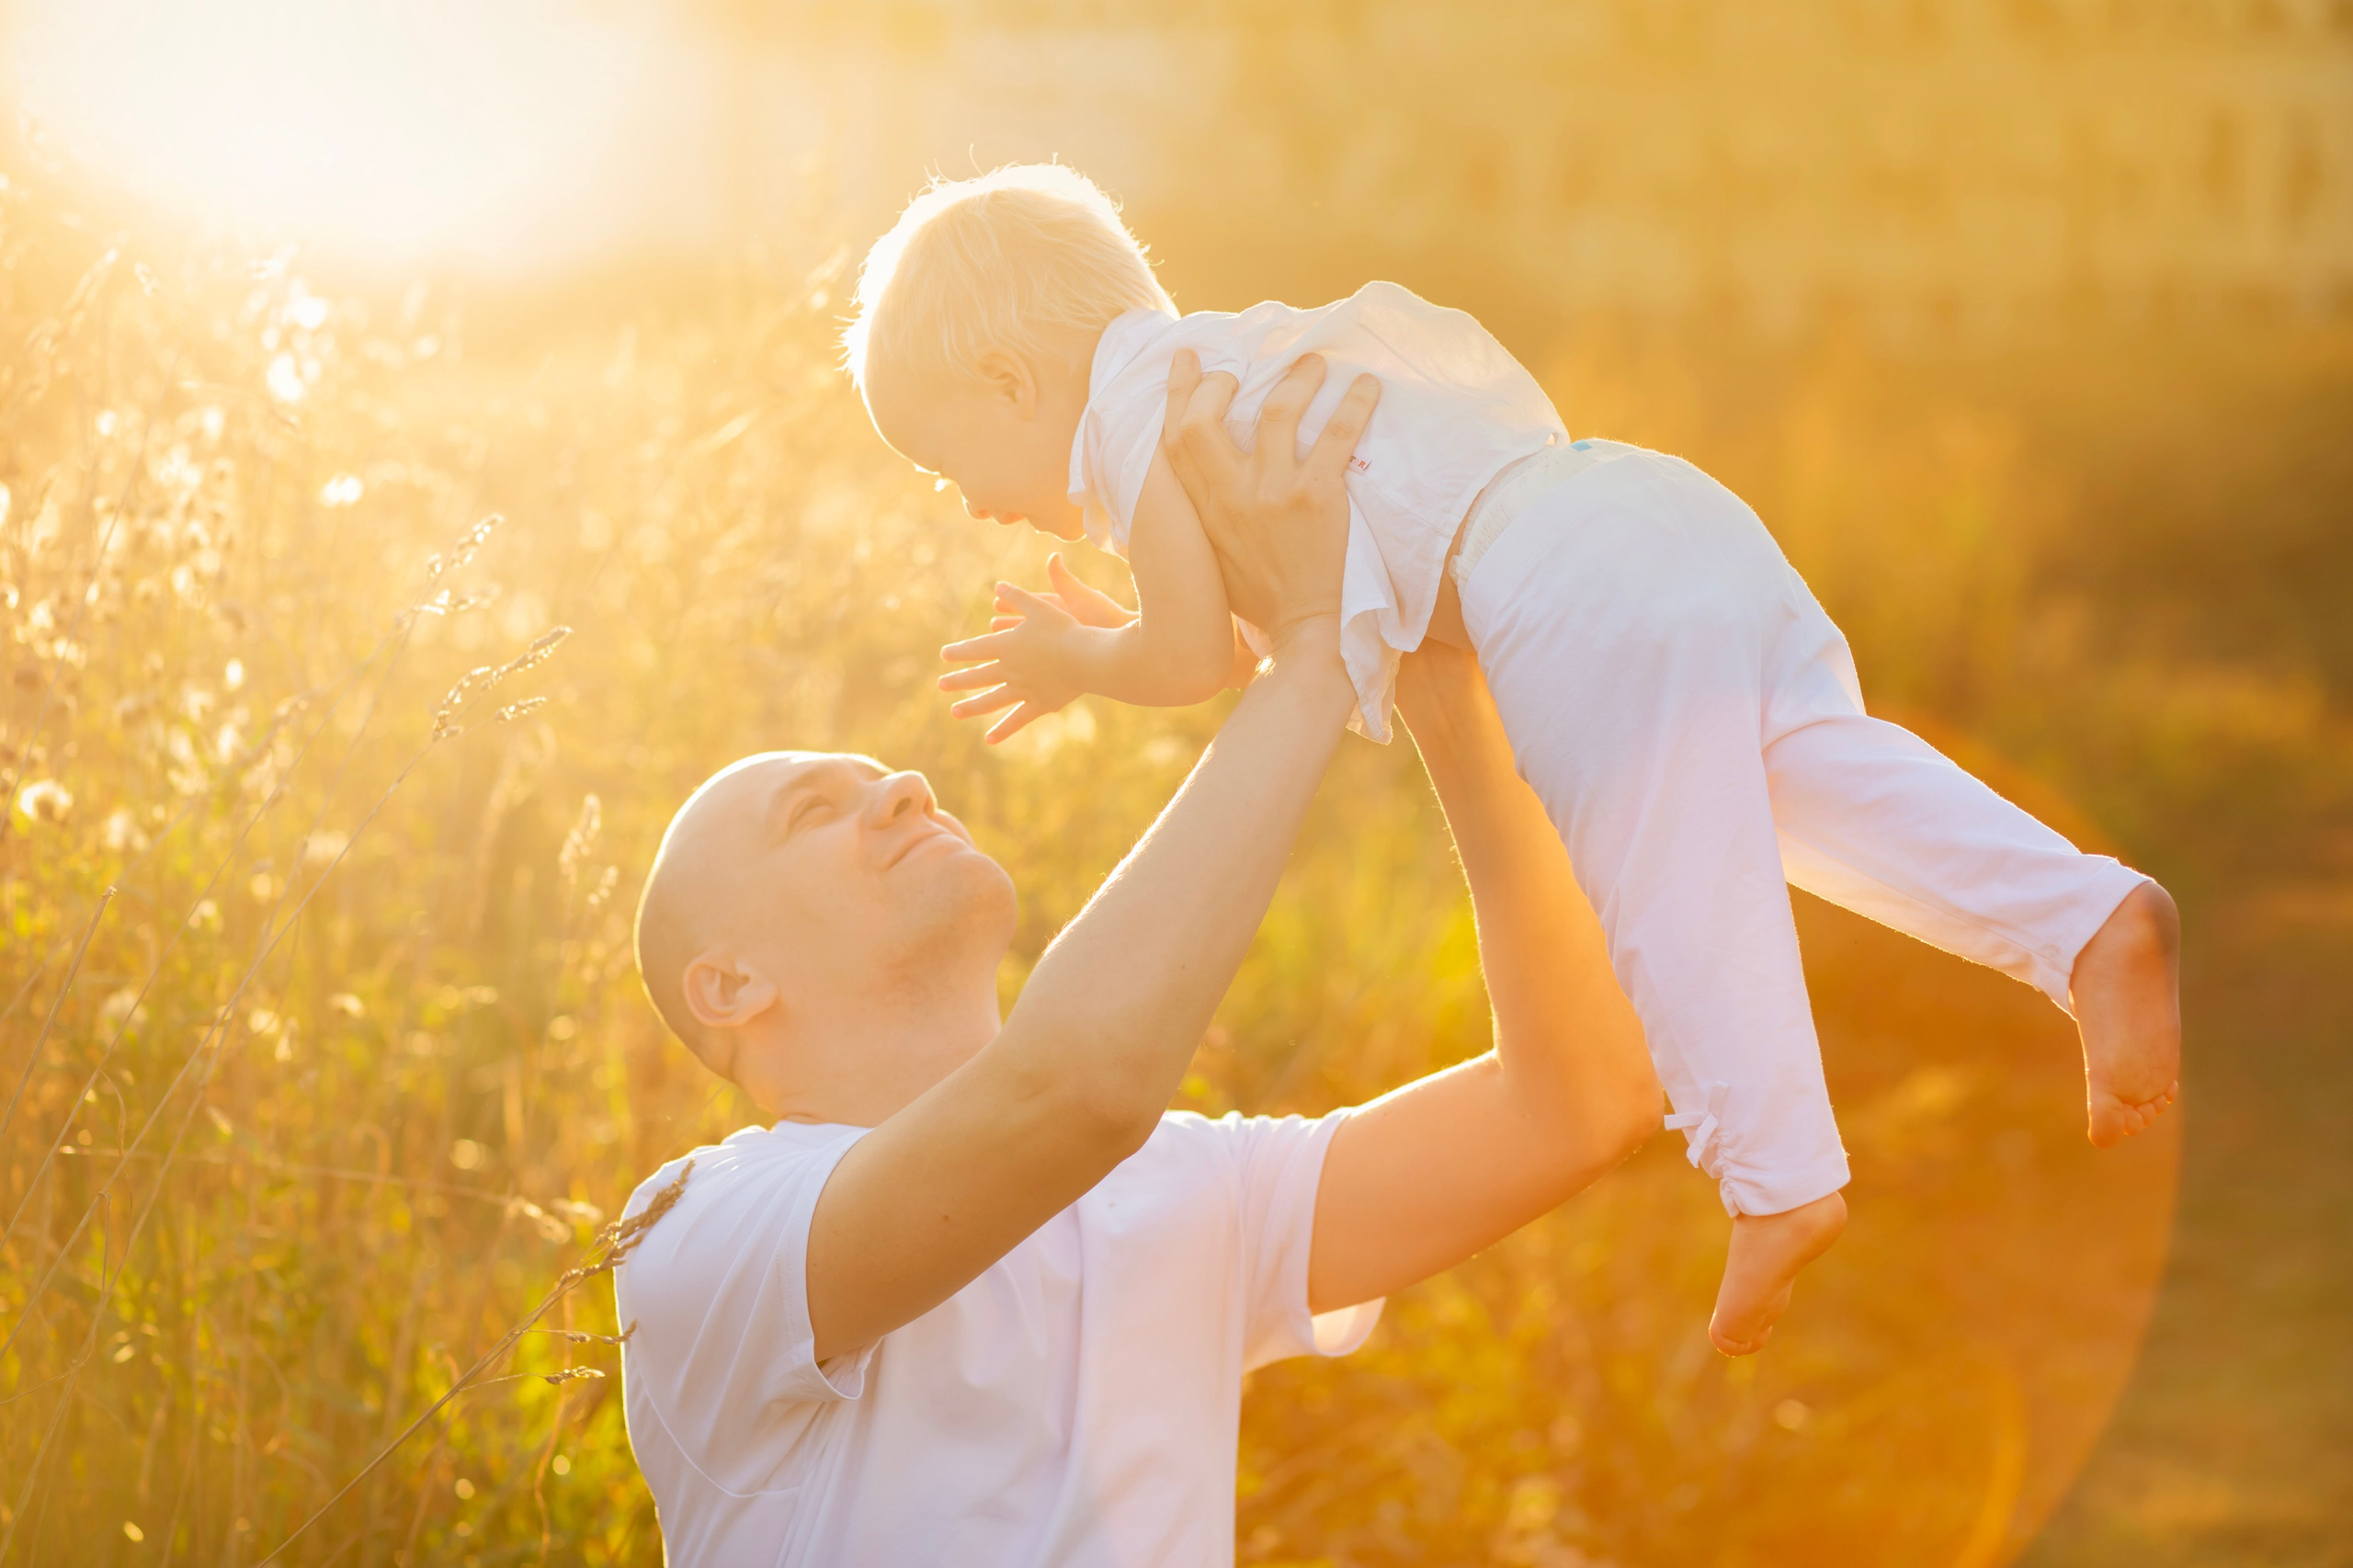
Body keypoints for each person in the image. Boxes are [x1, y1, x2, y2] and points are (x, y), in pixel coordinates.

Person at [842, 162, 2184, 1357]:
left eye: (944, 462)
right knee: (1815, 783)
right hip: (1645, 507)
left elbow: (1197, 661)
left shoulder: (1139, 416)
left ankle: (1779, 1178)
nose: (967, 503)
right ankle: (2084, 920)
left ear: (1011, 383)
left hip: (1556, 586)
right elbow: (1268, 628)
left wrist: (1077, 661)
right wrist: (1138, 621)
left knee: (1665, 877)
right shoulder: (1212, 372)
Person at [612, 355, 1661, 1565]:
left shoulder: (1190, 1188)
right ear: (731, 986)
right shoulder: (698, 1235)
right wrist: (1309, 653)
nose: (904, 785)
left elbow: (1579, 1099)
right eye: (814, 811)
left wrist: (1430, 660)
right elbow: (1074, 1093)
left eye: (884, 778)